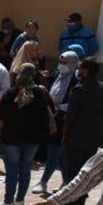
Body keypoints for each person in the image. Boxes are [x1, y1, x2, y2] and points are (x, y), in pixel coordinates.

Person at [57, 58, 103, 205]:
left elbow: (71, 115)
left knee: (72, 172)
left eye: (81, 68)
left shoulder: (79, 89)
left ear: (87, 70)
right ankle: (80, 202)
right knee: (87, 171)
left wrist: (65, 128)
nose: (78, 70)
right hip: (93, 137)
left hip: (76, 136)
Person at [0, 64, 51, 205]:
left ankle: (8, 201)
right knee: (25, 169)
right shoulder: (40, 93)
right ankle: (20, 201)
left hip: (11, 137)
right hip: (32, 139)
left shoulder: (11, 93)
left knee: (12, 170)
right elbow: (46, 116)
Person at [34, 50, 80, 195]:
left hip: (64, 118)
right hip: (53, 115)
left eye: (64, 62)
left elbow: (76, 102)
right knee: (58, 152)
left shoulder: (76, 79)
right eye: (60, 62)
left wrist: (60, 107)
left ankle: (44, 181)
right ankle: (66, 183)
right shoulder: (58, 75)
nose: (61, 65)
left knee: (55, 150)